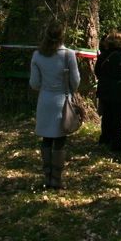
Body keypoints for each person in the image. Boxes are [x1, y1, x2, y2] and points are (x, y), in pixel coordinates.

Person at [30, 21, 80, 189]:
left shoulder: (37, 55)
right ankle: (57, 178)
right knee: (60, 139)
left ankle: (47, 175)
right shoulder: (68, 54)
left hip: (45, 99)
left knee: (46, 139)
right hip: (62, 100)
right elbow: (76, 81)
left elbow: (34, 83)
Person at [95, 31, 121, 152]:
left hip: (105, 88)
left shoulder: (103, 56)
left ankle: (105, 138)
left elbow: (97, 71)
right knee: (118, 117)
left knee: (106, 115)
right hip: (119, 90)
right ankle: (116, 143)